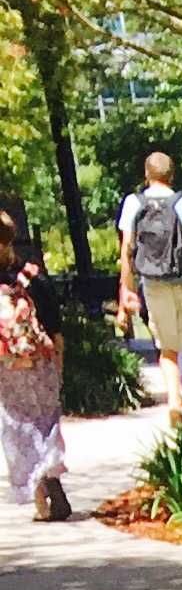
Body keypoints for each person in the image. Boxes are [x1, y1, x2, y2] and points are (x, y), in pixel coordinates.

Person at [115, 151, 182, 424]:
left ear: (147, 174)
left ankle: (174, 398)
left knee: (167, 347)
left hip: (152, 283)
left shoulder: (133, 203)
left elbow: (126, 248)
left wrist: (126, 288)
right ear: (171, 175)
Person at [0, 209, 66, 519]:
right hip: (40, 362)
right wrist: (59, 366)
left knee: (18, 428)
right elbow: (54, 326)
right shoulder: (32, 276)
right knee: (47, 420)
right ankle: (51, 478)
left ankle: (41, 498)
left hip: (7, 367)